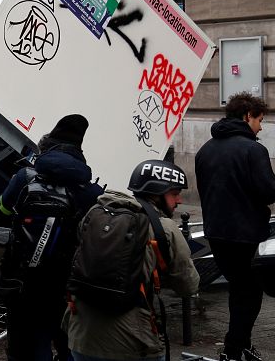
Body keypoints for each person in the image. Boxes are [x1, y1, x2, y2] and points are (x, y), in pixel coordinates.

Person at [65, 159, 200, 361]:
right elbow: (188, 285)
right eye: (174, 193)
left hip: (80, 337)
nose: (179, 200)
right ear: (157, 194)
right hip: (134, 344)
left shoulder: (94, 213)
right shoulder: (165, 228)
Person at [0, 115, 103, 361]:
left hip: (25, 278)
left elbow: (2, 208)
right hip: (68, 281)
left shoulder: (25, 177)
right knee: (68, 341)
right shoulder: (92, 191)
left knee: (28, 343)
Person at [195, 92, 275, 361]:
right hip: (246, 234)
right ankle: (233, 349)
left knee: (239, 289)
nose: (261, 126)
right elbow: (268, 191)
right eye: (260, 120)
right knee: (250, 293)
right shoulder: (254, 149)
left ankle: (239, 347)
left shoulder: (206, 149)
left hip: (216, 232)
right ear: (247, 116)